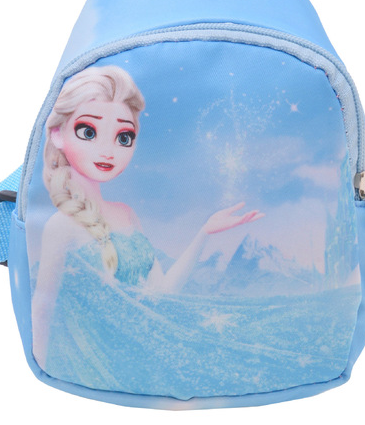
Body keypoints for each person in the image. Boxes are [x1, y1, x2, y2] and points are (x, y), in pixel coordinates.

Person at [31, 65, 264, 370]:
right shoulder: (60, 226)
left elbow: (161, 292)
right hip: (100, 363)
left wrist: (204, 233)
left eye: (123, 137)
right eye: (88, 132)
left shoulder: (126, 214)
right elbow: (44, 306)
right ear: (57, 134)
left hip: (146, 351)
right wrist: (43, 365)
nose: (108, 151)